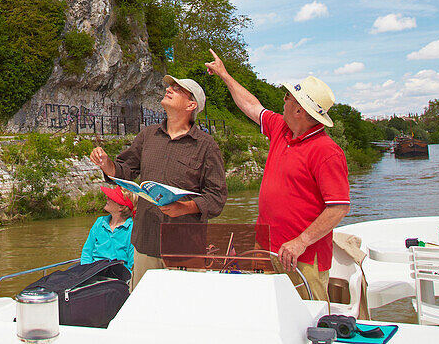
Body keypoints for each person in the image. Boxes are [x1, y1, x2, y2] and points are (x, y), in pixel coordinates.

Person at [204, 49, 349, 301]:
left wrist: (300, 242)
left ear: (299, 111)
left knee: (307, 322)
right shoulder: (282, 128)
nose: (283, 101)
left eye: (287, 97)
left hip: (302, 258)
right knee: (270, 314)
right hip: (267, 250)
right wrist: (224, 74)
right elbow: (251, 106)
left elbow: (338, 208)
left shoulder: (327, 152)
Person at [89, 75, 227, 289]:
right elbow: (125, 171)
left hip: (186, 249)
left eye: (178, 88)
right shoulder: (148, 135)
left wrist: (185, 207)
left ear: (192, 105)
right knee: (143, 312)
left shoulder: (207, 146)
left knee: (184, 313)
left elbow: (217, 197)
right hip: (146, 243)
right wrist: (106, 164)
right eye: (170, 85)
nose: (169, 89)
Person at [79, 185, 135, 270]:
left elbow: (132, 264)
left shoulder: (131, 229)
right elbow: (87, 252)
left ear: (121, 207)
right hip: (94, 270)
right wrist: (86, 271)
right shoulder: (100, 222)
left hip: (118, 275)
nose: (107, 198)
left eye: (112, 198)